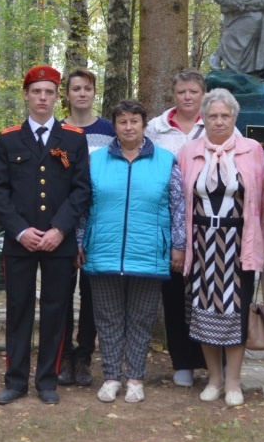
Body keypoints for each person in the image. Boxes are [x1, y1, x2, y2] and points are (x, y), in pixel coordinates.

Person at [0, 65, 91, 405]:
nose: (43, 98)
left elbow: (81, 191)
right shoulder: (7, 138)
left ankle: (47, 380)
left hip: (57, 243)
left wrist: (59, 230)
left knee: (55, 311)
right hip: (21, 242)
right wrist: (19, 230)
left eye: (49, 92)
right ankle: (15, 380)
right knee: (18, 311)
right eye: (37, 92)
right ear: (26, 95)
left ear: (57, 97)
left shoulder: (74, 138)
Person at [177, 89, 264, 407]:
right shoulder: (189, 151)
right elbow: (180, 203)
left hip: (239, 243)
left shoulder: (251, 151)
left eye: (225, 116)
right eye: (212, 116)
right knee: (204, 312)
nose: (219, 121)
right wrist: (179, 245)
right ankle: (214, 379)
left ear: (234, 118)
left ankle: (234, 382)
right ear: (203, 119)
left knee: (236, 313)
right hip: (201, 243)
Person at [79, 99, 184, 403]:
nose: (128, 127)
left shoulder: (165, 160)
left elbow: (178, 207)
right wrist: (79, 241)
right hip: (103, 250)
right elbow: (83, 206)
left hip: (149, 253)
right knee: (108, 318)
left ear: (144, 125)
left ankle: (136, 378)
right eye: (122, 122)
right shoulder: (95, 161)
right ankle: (111, 377)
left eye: (134, 121)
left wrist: (178, 246)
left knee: (141, 318)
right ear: (114, 126)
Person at [145, 69, 208, 387]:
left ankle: (209, 359)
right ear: (174, 95)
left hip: (210, 222)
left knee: (207, 293)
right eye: (182, 91)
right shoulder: (156, 130)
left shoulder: (216, 124)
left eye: (194, 92)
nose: (187, 97)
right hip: (168, 223)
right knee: (173, 294)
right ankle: (181, 361)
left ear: (203, 95)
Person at [57, 68, 115, 388]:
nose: (82, 93)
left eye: (87, 88)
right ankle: (63, 355)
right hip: (65, 224)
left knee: (92, 294)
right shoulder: (58, 130)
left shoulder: (108, 130)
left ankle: (83, 357)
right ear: (67, 94)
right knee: (63, 292)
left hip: (100, 223)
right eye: (76, 88)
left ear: (94, 92)